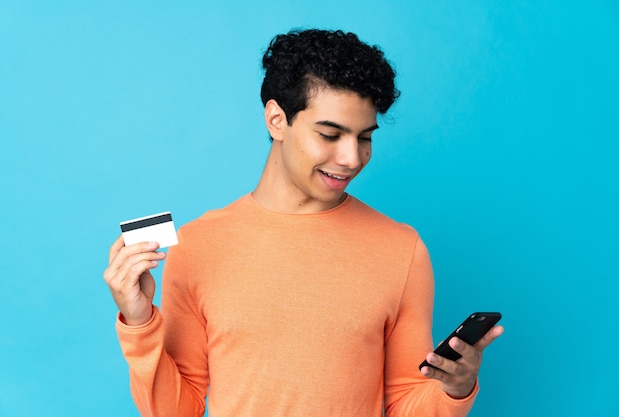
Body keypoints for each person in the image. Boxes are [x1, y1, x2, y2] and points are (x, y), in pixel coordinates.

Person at [103, 29, 503, 417]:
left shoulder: (402, 249)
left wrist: (456, 388)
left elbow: (406, 404)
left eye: (365, 137)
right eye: (330, 134)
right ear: (277, 120)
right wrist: (139, 322)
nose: (352, 158)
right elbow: (178, 411)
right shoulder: (198, 245)